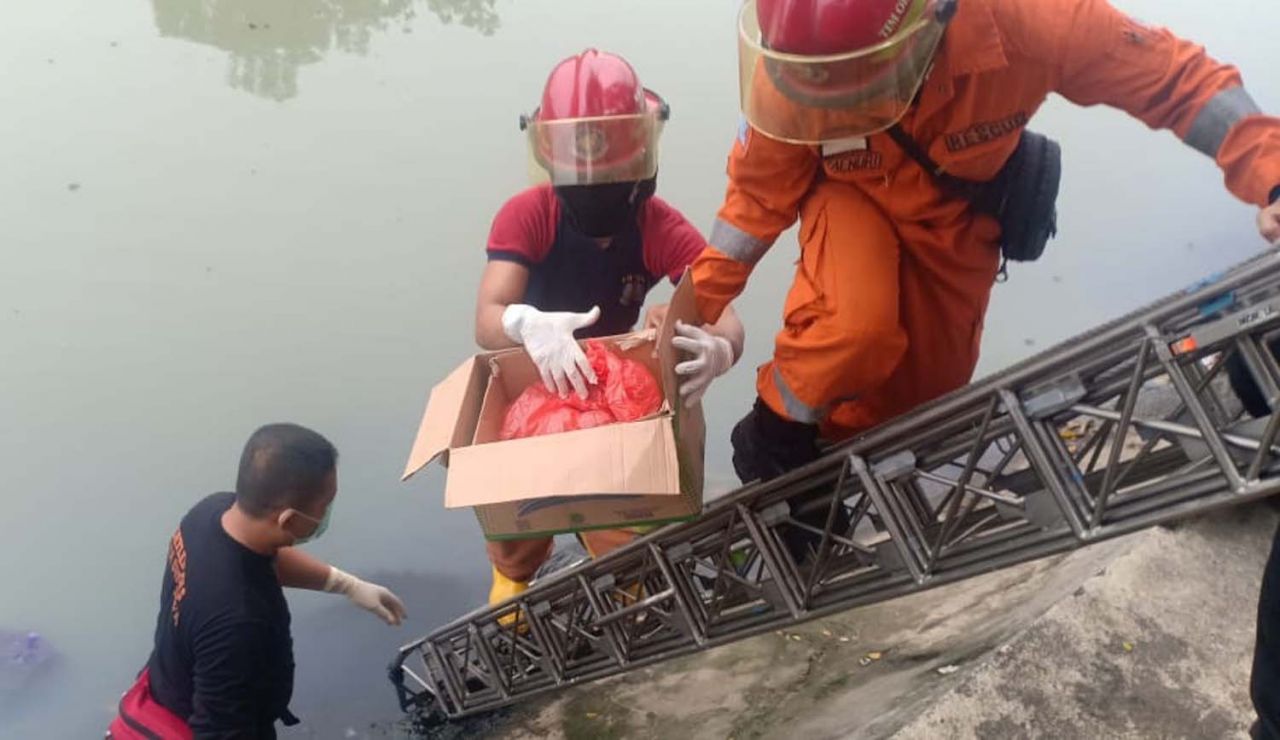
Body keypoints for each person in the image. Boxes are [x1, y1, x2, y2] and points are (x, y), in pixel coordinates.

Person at [690, 0, 1280, 522]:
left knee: (930, 395)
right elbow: (755, 201)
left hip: (954, 217)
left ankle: (827, 458)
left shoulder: (1030, 19)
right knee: (853, 329)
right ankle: (775, 439)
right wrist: (694, 313)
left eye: (857, 84)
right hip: (851, 196)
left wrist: (1272, 179)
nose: (839, 99)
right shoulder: (798, 59)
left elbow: (1177, 80)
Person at [475, 48, 746, 607]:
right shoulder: (530, 215)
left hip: (614, 385)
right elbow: (487, 317)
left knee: (621, 501)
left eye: (609, 177)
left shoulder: (658, 227)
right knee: (520, 499)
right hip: (533, 376)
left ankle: (626, 574)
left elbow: (726, 317)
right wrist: (526, 322)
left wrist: (716, 349)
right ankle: (512, 581)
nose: (593, 185)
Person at [107, 423, 407, 739]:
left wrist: (346, 585)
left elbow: (265, 557)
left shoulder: (211, 513)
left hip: (167, 685)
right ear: (289, 519)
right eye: (325, 506)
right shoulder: (239, 622)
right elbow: (220, 731)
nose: (327, 513)